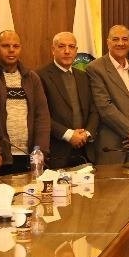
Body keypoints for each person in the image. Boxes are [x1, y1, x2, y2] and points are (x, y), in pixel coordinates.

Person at [0, 30, 52, 176]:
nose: (11, 50)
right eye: (5, 46)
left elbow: (42, 116)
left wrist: (41, 151)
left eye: (16, 46)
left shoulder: (32, 78)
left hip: (29, 156)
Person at [85, 24, 129, 163]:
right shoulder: (95, 68)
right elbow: (104, 107)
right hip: (112, 147)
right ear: (108, 42)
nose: (121, 43)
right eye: (115, 39)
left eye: (125, 39)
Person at [36, 32, 98, 168]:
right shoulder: (40, 76)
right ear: (53, 50)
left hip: (85, 149)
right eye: (62, 46)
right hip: (57, 150)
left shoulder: (84, 76)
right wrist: (69, 135)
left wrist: (86, 133)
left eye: (71, 47)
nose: (67, 51)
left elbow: (94, 109)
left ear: (76, 50)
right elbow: (40, 115)